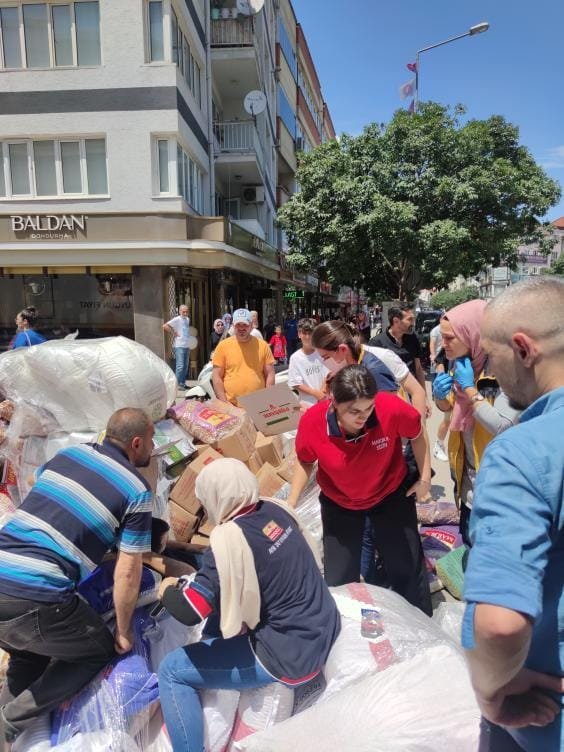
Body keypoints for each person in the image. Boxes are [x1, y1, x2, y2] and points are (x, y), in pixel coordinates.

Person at [157, 459, 341, 752]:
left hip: (288, 657)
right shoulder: (274, 509)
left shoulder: (228, 540)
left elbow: (190, 612)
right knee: (219, 614)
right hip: (323, 626)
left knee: (171, 671)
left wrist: (165, 589)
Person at [0, 408, 155, 743]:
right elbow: (128, 573)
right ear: (137, 442)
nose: (153, 449)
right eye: (152, 441)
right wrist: (124, 633)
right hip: (37, 593)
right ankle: (10, 722)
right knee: (97, 650)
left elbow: (33, 481)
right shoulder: (137, 489)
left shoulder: (71, 453)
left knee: (28, 652)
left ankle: (5, 733)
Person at [461, 277, 564, 752]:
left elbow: (500, 623)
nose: (488, 373)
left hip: (543, 714)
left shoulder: (523, 451)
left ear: (523, 349)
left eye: (489, 356)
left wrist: (491, 694)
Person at [287, 365, 433, 615]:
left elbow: (417, 434)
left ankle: (421, 624)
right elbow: (305, 460)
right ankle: (347, 631)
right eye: (354, 411)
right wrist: (290, 504)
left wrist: (424, 478)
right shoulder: (313, 422)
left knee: (406, 566)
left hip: (389, 494)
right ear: (333, 403)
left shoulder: (390, 407)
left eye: (368, 408)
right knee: (339, 575)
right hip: (340, 503)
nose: (363, 417)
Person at [432, 299, 520, 544]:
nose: (443, 344)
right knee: (471, 545)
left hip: (497, 490)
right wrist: (440, 396)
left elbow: (504, 427)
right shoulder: (463, 363)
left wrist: (470, 389)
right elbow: (447, 407)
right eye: (442, 337)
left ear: (474, 334)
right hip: (468, 483)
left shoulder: (505, 371)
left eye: (450, 338)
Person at [311, 320, 398, 393]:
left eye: (326, 357)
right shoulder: (349, 369)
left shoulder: (373, 372)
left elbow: (388, 409)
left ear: (343, 349)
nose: (323, 362)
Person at [212, 308, 275, 405]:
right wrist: (224, 402)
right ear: (233, 326)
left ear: (251, 326)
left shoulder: (263, 346)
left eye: (245, 325)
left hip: (258, 406)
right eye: (238, 325)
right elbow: (216, 376)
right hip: (232, 406)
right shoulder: (222, 346)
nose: (241, 328)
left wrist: (267, 400)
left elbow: (270, 374)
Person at [369, 303, 427, 391]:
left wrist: (424, 396)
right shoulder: (376, 343)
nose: (413, 323)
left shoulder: (413, 338)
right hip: (390, 396)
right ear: (396, 321)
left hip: (412, 395)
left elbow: (418, 368)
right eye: (410, 319)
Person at [288, 318, 327, 407]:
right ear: (299, 334)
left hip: (325, 400)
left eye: (310, 333)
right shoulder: (295, 358)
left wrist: (322, 391)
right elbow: (296, 383)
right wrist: (315, 393)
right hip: (307, 404)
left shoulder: (322, 352)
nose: (308, 337)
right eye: (304, 333)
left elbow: (329, 373)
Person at [429, 323, 449, 461]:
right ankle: (439, 444)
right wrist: (441, 374)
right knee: (450, 418)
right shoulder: (436, 330)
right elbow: (440, 358)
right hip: (454, 383)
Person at [163, 304, 191, 389]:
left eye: (186, 311)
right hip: (179, 345)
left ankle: (182, 383)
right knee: (180, 365)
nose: (185, 313)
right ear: (179, 311)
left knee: (185, 366)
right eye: (183, 312)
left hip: (186, 345)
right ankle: (177, 384)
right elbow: (165, 326)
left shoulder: (187, 319)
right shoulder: (177, 319)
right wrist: (173, 332)